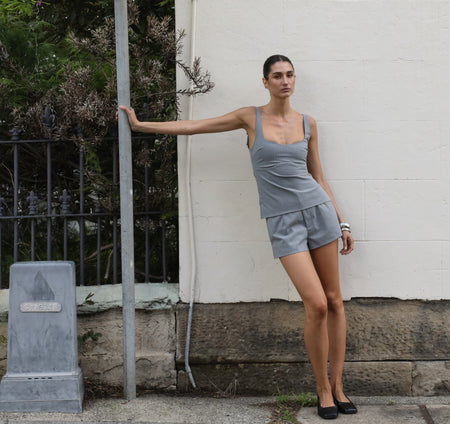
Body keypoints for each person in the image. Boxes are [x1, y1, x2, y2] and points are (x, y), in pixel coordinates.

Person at [118, 54, 356, 420]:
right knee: (317, 305)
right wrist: (141, 125)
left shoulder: (307, 123)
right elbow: (195, 126)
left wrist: (342, 222)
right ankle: (322, 388)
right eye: (277, 76)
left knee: (335, 301)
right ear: (265, 81)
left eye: (290, 75)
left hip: (320, 212)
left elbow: (318, 177)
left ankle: (338, 387)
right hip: (282, 222)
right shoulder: (250, 117)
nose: (285, 81)